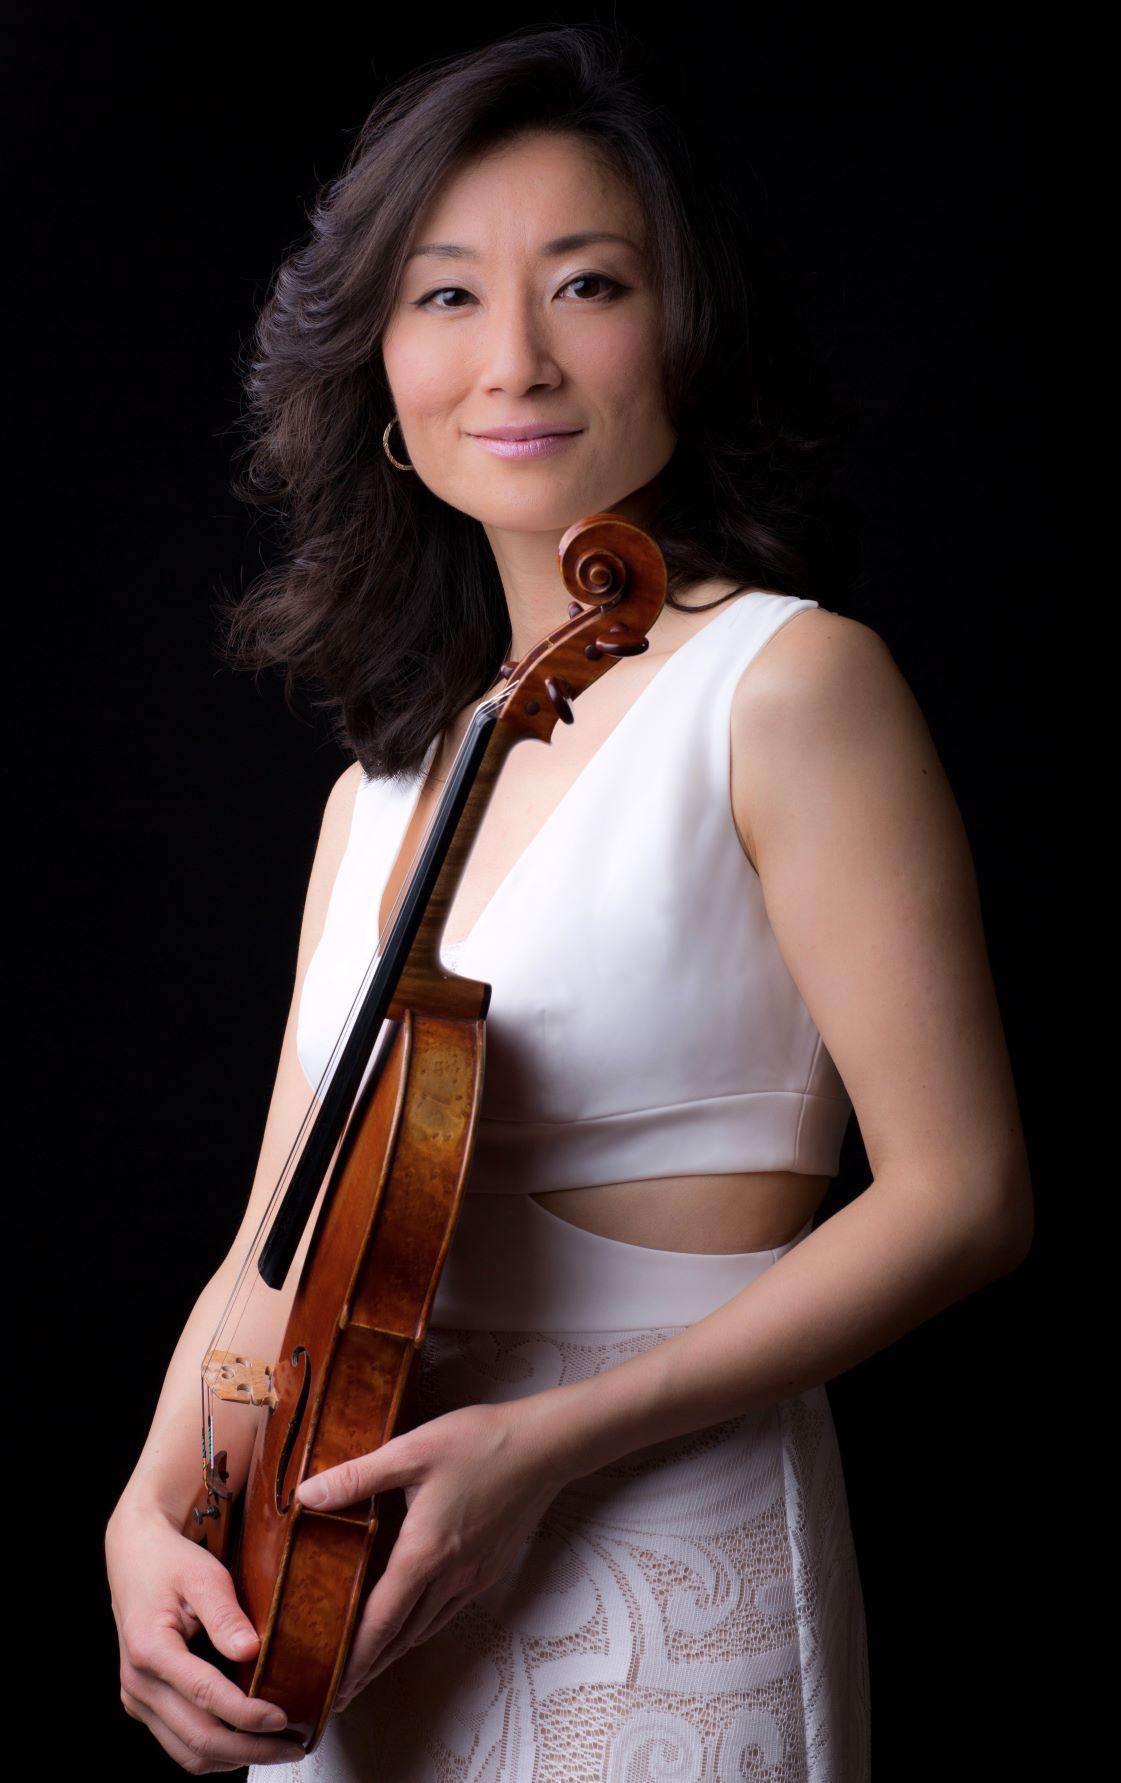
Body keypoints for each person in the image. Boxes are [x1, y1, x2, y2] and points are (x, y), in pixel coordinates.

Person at [104, 23, 1034, 1781]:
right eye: (446, 296)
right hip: (340, 1584)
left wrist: (547, 1449)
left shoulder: (783, 684)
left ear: (685, 332)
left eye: (587, 284)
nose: (514, 359)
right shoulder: (380, 790)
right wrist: (146, 1513)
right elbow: (268, 1253)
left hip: (653, 1550)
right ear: (379, 370)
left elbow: (964, 1197)